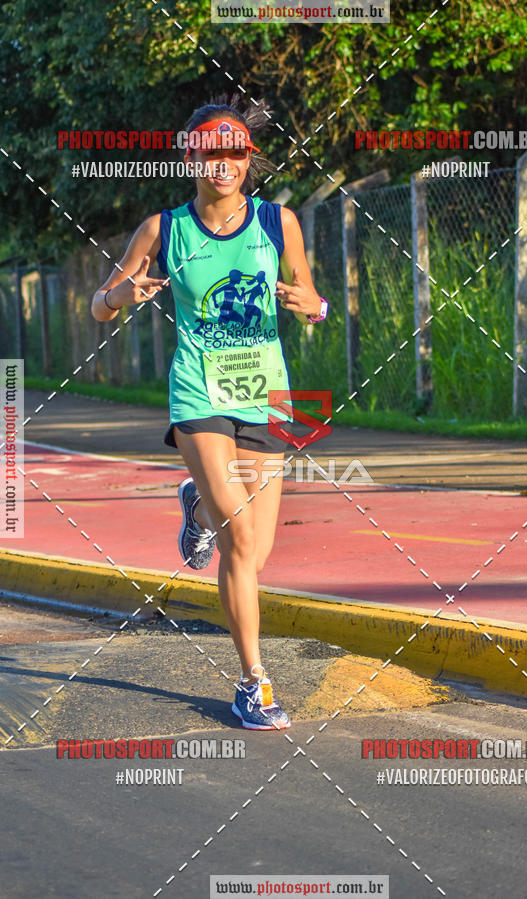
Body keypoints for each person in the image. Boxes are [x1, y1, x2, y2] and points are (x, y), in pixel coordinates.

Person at [91, 95, 328, 730]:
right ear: (190, 155)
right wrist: (120, 294)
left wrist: (314, 306)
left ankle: (194, 502)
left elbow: (311, 297)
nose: (222, 161)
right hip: (199, 391)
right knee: (241, 539)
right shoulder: (163, 230)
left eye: (234, 151)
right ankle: (254, 683)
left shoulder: (279, 223)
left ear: (248, 158)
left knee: (257, 552)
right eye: (209, 150)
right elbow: (98, 307)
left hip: (268, 397)